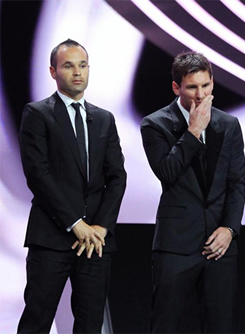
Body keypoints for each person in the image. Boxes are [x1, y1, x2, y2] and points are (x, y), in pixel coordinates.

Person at [17, 39, 127, 333]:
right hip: (52, 238)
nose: (77, 72)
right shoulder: (38, 114)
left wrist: (101, 227)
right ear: (53, 71)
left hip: (96, 242)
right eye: (68, 66)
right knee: (37, 319)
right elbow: (38, 175)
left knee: (91, 323)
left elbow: (117, 176)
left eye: (82, 65)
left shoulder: (104, 119)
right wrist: (74, 223)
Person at [140, 51, 245, 333]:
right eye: (192, 87)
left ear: (212, 83)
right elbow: (167, 171)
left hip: (219, 245)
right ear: (177, 88)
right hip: (176, 244)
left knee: (219, 326)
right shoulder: (155, 124)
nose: (200, 95)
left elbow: (236, 183)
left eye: (206, 85)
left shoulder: (229, 124)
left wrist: (229, 229)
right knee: (166, 324)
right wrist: (194, 130)